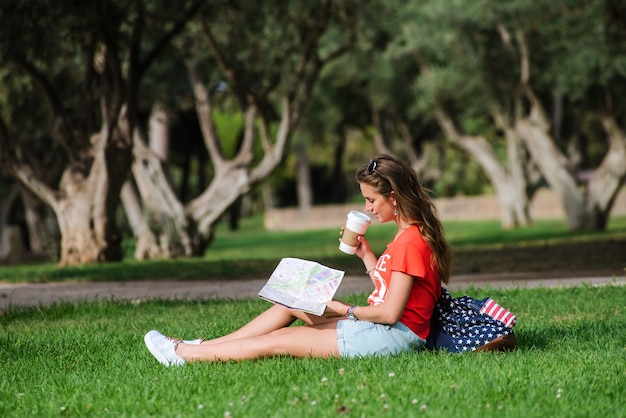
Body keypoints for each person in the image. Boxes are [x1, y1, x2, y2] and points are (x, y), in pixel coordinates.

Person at [144, 154, 452, 366]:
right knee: (290, 304)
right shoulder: (408, 235)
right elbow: (392, 292)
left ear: (394, 197)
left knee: (282, 339)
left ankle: (185, 355)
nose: (368, 208)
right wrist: (367, 255)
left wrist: (343, 309)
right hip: (385, 330)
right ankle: (203, 346)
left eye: (371, 200)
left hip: (389, 336)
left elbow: (389, 313)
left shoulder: (410, 240)